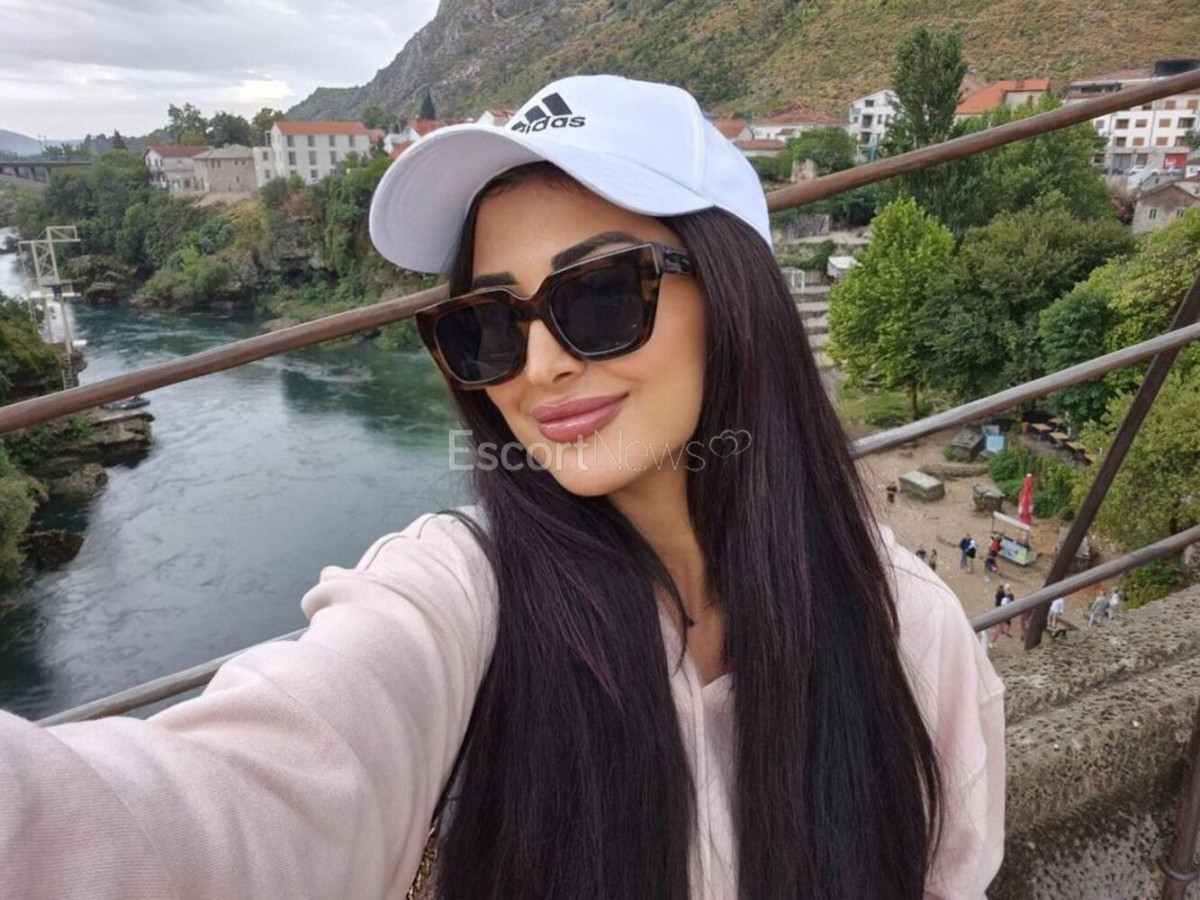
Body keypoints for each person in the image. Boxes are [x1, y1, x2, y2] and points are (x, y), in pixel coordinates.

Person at [0, 74, 1005, 899]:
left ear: (731, 292)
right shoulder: (459, 597)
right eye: (488, 324)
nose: (540, 367)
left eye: (598, 295)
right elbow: (210, 811)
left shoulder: (910, 636)